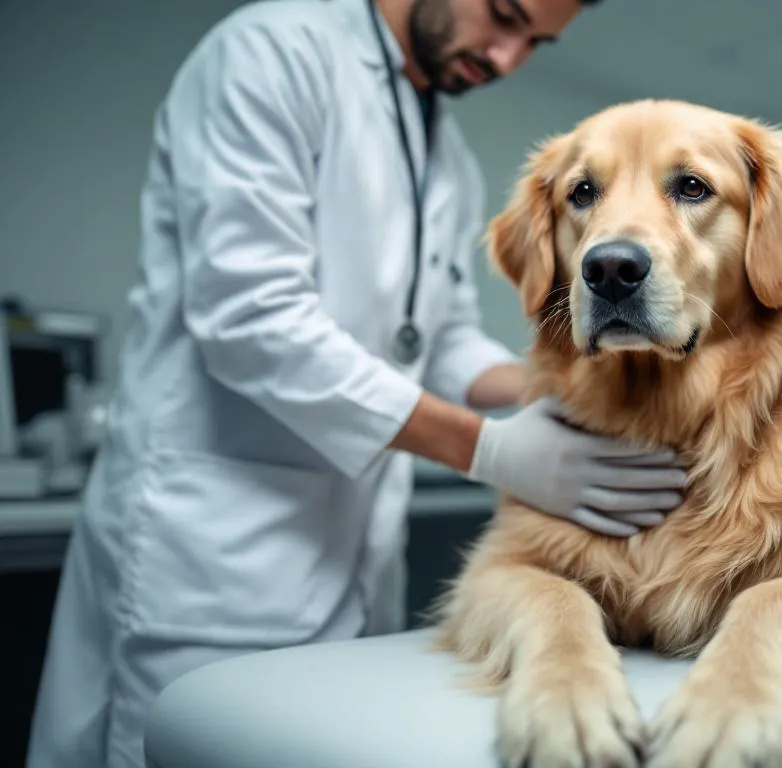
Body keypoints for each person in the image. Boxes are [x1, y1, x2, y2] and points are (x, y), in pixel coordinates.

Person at [26, 0, 687, 766]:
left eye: (535, 43)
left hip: (353, 541)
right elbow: (251, 318)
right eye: (504, 17)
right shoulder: (274, 53)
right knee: (181, 745)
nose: (506, 60)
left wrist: (556, 390)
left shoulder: (447, 161)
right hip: (215, 542)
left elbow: (434, 336)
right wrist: (489, 450)